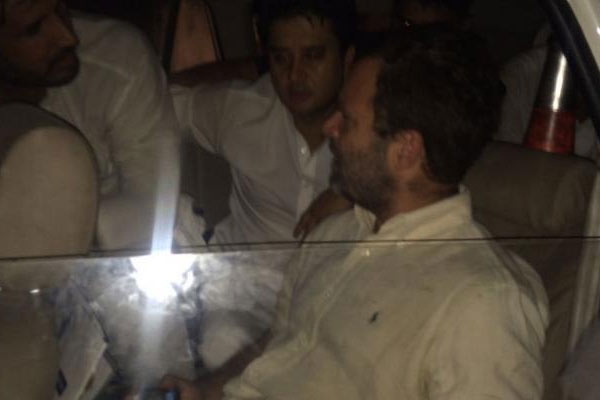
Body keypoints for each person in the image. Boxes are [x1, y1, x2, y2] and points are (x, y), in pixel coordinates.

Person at [160, 26, 549, 399]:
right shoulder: (333, 233)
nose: (330, 127)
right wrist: (206, 391)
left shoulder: (483, 302)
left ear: (406, 151)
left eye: (347, 119)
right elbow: (278, 349)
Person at [172, 0, 356, 246]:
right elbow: (150, 106)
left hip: (341, 270)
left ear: (347, 59)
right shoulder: (243, 110)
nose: (295, 75)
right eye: (281, 58)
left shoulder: (378, 133)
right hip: (236, 267)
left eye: (312, 56)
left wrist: (355, 192)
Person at [0, 0, 179, 251]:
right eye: (34, 28)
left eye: (61, 9)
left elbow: (157, 205)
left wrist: (58, 232)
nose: (68, 37)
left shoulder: (116, 58)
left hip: (104, 260)